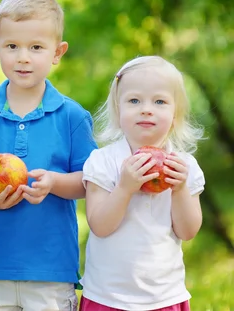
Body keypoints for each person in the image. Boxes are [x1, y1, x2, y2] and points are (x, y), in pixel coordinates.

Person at [0, 0, 97, 311]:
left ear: (57, 52)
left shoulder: (72, 117)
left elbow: (90, 181)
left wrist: (54, 183)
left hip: (50, 270)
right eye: (12, 46)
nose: (23, 57)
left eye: (36, 47)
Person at [80, 56, 205, 311]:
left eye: (159, 101)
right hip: (107, 295)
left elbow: (188, 231)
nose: (146, 109)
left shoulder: (184, 166)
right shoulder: (103, 161)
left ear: (175, 114)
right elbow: (99, 225)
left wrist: (180, 189)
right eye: (134, 100)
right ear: (118, 109)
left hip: (164, 295)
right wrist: (124, 188)